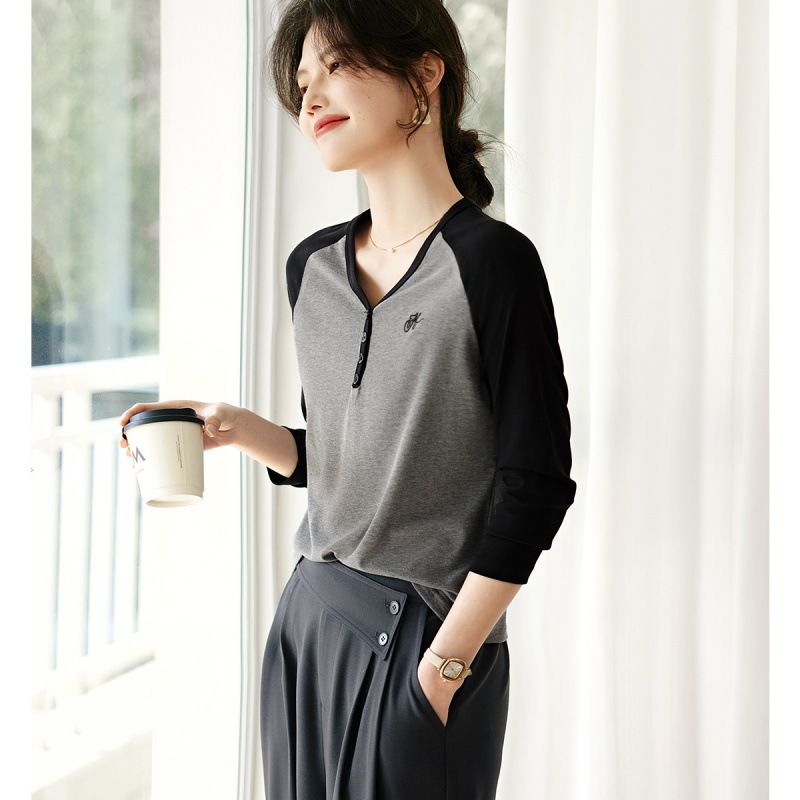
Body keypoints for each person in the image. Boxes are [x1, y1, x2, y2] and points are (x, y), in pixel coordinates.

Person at [119, 0, 577, 797]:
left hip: (423, 635)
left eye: (336, 65)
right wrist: (238, 428)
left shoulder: (492, 262)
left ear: (425, 73)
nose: (311, 97)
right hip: (309, 617)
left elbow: (535, 485)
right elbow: (347, 459)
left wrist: (444, 667)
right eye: (302, 81)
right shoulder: (313, 269)